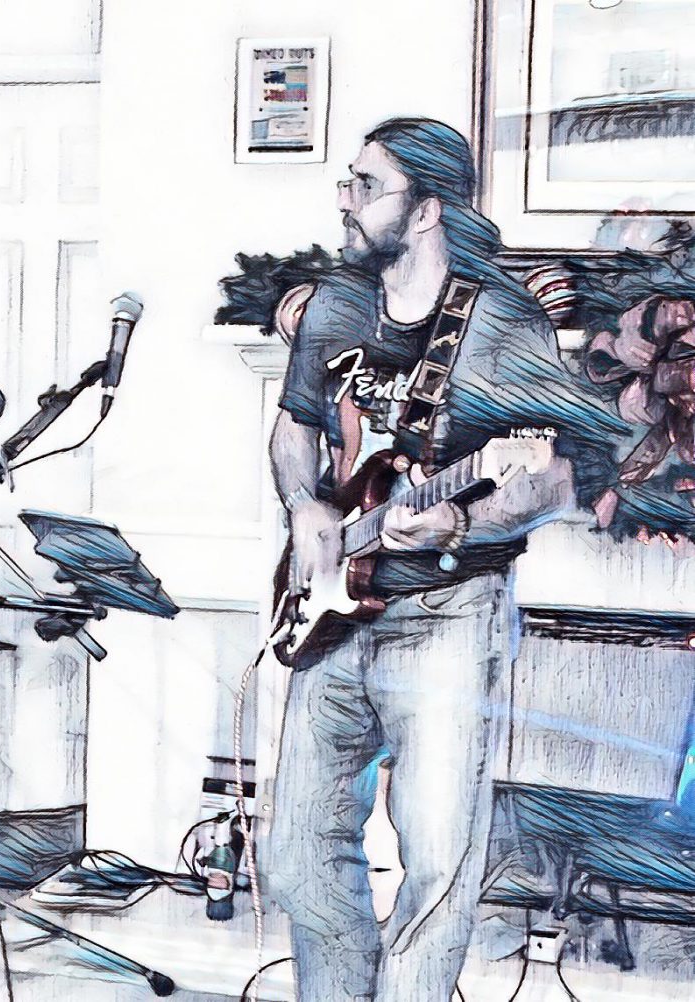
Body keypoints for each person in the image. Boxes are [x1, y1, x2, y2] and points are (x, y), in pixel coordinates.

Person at [266, 118, 574, 1002]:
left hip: (449, 612)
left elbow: (553, 475)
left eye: (365, 186)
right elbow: (293, 428)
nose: (345, 200)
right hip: (331, 612)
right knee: (299, 851)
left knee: (437, 860)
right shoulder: (335, 304)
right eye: (347, 181)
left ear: (429, 208)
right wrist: (305, 506)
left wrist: (459, 524)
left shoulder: (502, 321)